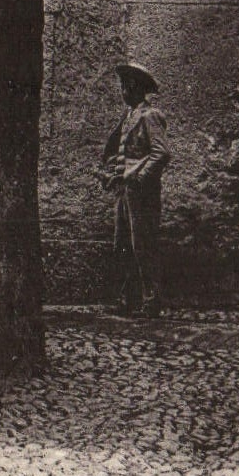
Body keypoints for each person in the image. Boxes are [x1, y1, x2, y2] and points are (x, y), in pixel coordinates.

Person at [99, 61, 171, 317]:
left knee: (143, 245)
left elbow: (161, 154)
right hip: (125, 191)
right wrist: (112, 175)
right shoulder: (129, 117)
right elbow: (123, 155)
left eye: (124, 87)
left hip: (142, 193)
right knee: (123, 245)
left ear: (134, 88)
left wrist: (140, 178)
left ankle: (151, 302)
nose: (122, 91)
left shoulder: (150, 116)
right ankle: (128, 300)